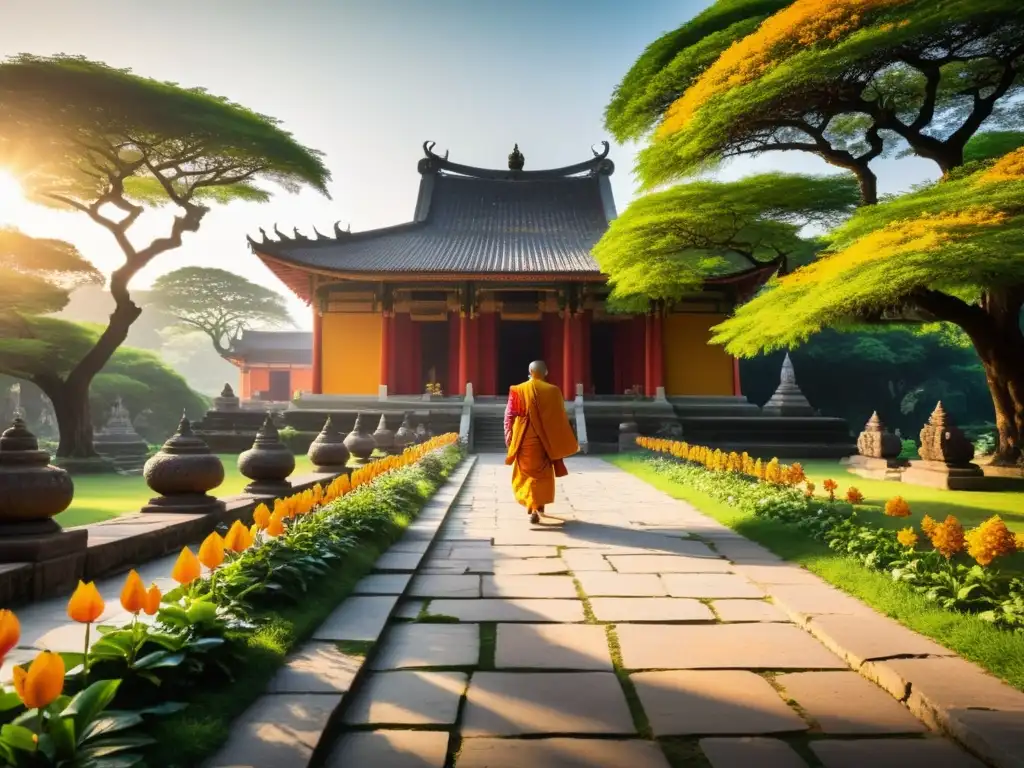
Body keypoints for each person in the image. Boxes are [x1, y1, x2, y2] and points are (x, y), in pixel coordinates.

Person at [504, 360, 579, 524]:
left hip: (524, 439)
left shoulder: (518, 389)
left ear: (530, 371)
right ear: (546, 373)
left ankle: (532, 506)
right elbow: (560, 417)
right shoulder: (553, 391)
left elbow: (510, 414)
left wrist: (508, 433)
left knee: (526, 474)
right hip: (545, 440)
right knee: (543, 474)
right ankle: (539, 505)